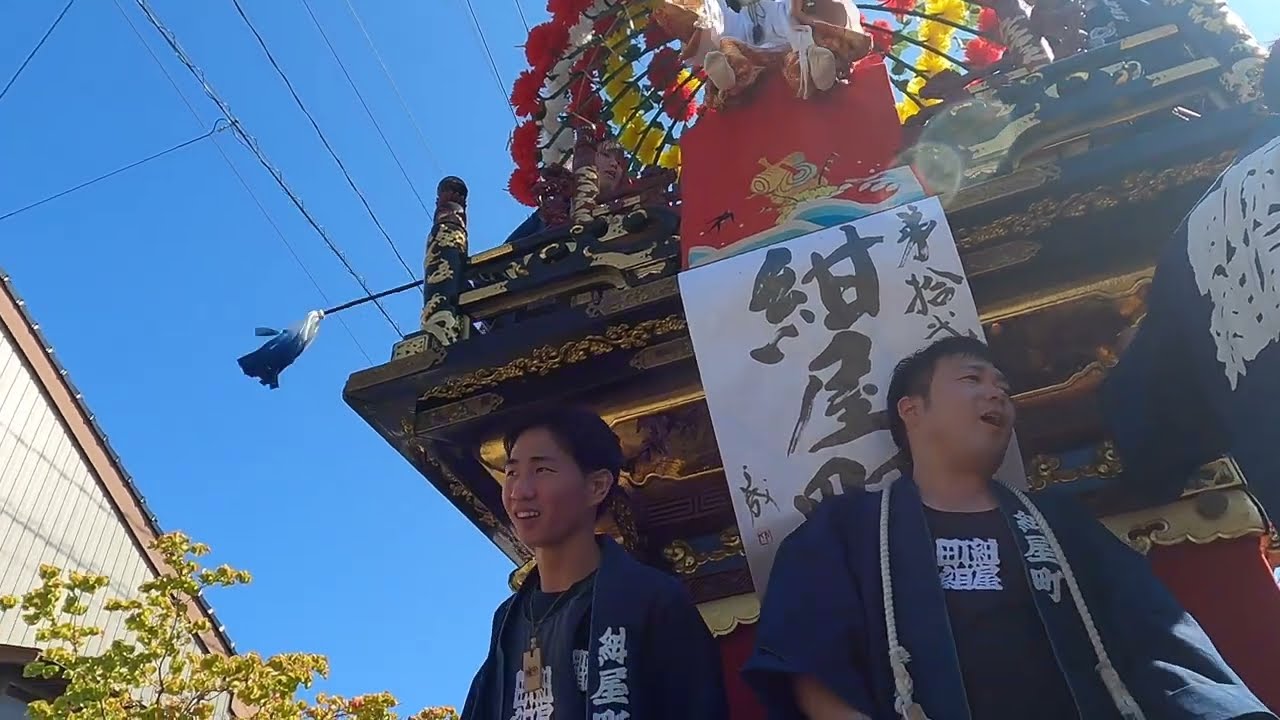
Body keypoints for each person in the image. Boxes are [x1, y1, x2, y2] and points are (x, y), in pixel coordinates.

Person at [744, 336, 1274, 720]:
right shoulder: (852, 529)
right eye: (972, 380)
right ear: (911, 410)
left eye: (1004, 388)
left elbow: (1161, 641)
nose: (996, 394)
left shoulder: (1059, 523)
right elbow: (808, 657)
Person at [461, 407, 730, 720]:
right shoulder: (507, 622)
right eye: (512, 473)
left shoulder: (652, 600)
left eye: (542, 471)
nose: (520, 491)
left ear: (596, 487)